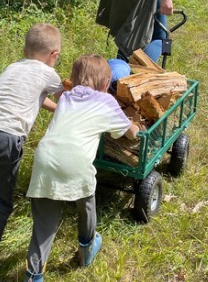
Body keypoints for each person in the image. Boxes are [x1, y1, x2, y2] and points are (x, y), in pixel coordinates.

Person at [23, 54, 140, 282]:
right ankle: (87, 247)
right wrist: (134, 124)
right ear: (106, 84)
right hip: (76, 162)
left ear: (74, 79)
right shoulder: (107, 101)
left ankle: (34, 275)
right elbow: (130, 133)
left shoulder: (66, 98)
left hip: (45, 158)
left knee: (44, 225)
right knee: (86, 203)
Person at [0, 23, 64, 282]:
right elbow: (68, 93)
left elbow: (36, 96)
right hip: (8, 137)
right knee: (2, 202)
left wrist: (55, 109)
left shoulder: (13, 67)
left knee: (1, 163)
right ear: (53, 55)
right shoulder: (48, 73)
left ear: (24, 49)